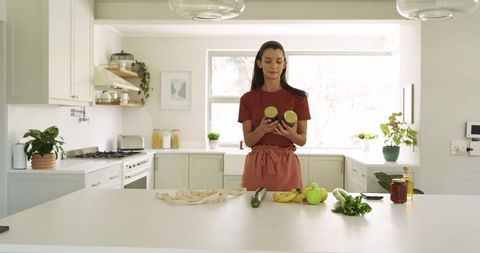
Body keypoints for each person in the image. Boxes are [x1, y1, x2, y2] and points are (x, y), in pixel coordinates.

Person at [238, 41, 310, 191]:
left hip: (287, 168)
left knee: (289, 212)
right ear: (259, 63)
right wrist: (262, 130)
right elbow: (249, 141)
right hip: (257, 167)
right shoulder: (247, 99)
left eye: (279, 61)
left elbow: (302, 140)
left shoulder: (299, 98)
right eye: (268, 61)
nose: (274, 66)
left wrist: (291, 134)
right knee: (253, 212)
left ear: (284, 64)